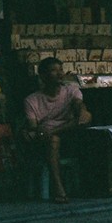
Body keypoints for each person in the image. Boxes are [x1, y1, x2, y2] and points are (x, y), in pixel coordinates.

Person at [22, 56, 92, 203]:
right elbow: (33, 128)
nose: (59, 74)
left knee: (87, 118)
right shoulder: (32, 100)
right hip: (44, 141)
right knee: (52, 139)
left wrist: (83, 110)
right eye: (54, 71)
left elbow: (79, 107)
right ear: (42, 76)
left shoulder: (71, 90)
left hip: (69, 134)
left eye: (61, 70)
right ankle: (59, 188)